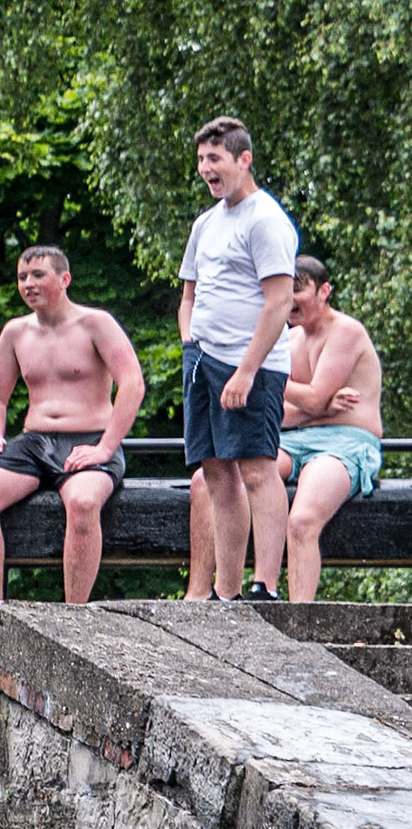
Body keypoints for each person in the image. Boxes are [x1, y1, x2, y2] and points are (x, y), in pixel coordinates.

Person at [184, 255, 384, 601]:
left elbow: (311, 398)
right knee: (208, 480)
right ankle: (200, 593)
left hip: (346, 443)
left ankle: (296, 615)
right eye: (282, 291)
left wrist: (267, 379)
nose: (290, 300)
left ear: (324, 291)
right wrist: (312, 405)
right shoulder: (287, 340)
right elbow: (283, 413)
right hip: (294, 440)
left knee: (302, 519)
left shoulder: (346, 331)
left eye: (297, 290)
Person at [0, 245, 145, 604]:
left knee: (82, 502)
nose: (28, 284)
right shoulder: (16, 332)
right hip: (33, 442)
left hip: (89, 439)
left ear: (64, 279)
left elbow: (133, 383)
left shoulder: (96, 323)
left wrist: (106, 447)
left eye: (37, 275)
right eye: (22, 277)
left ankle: (71, 616)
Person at [178, 116, 298, 602]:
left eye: (215, 159)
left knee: (255, 467)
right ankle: (225, 590)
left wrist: (246, 370)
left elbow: (280, 302)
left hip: (253, 365)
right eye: (202, 160)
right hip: (203, 362)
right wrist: (190, 348)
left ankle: (265, 584)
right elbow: (188, 295)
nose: (207, 169)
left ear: (243, 160)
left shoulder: (265, 219)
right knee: (215, 471)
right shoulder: (205, 223)